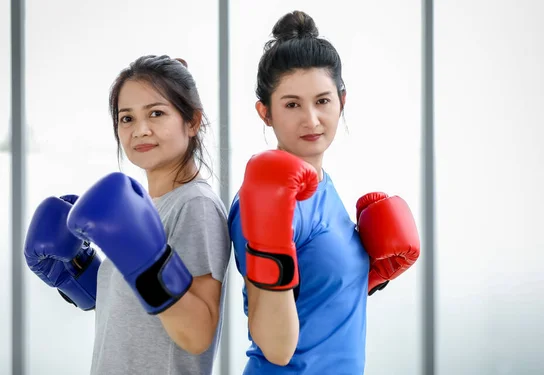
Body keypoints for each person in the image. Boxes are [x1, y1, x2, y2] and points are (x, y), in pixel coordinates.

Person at [228, 10, 421, 375]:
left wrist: (366, 279)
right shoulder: (265, 199)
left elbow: (313, 303)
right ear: (264, 113)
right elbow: (276, 347)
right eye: (291, 104)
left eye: (322, 101)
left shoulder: (325, 188)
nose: (312, 120)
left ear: (341, 101)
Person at [24, 55, 231, 375]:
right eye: (127, 118)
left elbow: (198, 334)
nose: (140, 129)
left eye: (156, 113)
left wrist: (147, 260)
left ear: (192, 121)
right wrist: (76, 270)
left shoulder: (195, 205)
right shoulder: (146, 207)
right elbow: (136, 309)